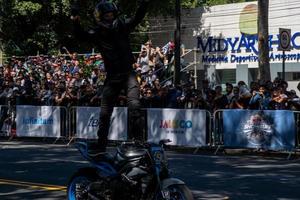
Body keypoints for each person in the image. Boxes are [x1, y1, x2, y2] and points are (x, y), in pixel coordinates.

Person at [71, 0, 150, 152]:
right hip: (112, 77)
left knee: (135, 106)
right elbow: (80, 36)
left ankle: (138, 141)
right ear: (100, 17)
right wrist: (74, 17)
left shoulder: (123, 26)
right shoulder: (97, 33)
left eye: (111, 14)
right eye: (106, 15)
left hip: (129, 74)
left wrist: (144, 2)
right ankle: (101, 145)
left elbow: (138, 17)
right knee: (104, 113)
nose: (110, 17)